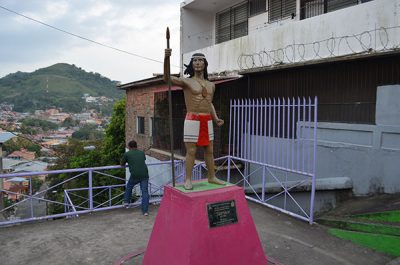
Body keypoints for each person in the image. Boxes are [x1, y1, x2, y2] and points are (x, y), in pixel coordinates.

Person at [164, 49, 225, 190]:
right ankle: (188, 179)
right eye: (195, 60)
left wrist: (215, 118)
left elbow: (209, 103)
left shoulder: (211, 85)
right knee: (191, 151)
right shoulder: (186, 81)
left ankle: (212, 176)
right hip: (192, 118)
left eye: (200, 60)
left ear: (205, 64)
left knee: (209, 150)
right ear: (192, 64)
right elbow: (167, 79)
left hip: (207, 119)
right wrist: (167, 58)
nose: (198, 63)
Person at [121, 140, 149, 216]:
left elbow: (122, 164)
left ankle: (126, 202)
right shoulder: (141, 153)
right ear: (136, 146)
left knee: (129, 187)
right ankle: (145, 211)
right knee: (145, 192)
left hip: (135, 175)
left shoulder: (127, 154)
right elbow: (143, 159)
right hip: (144, 175)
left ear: (129, 147)